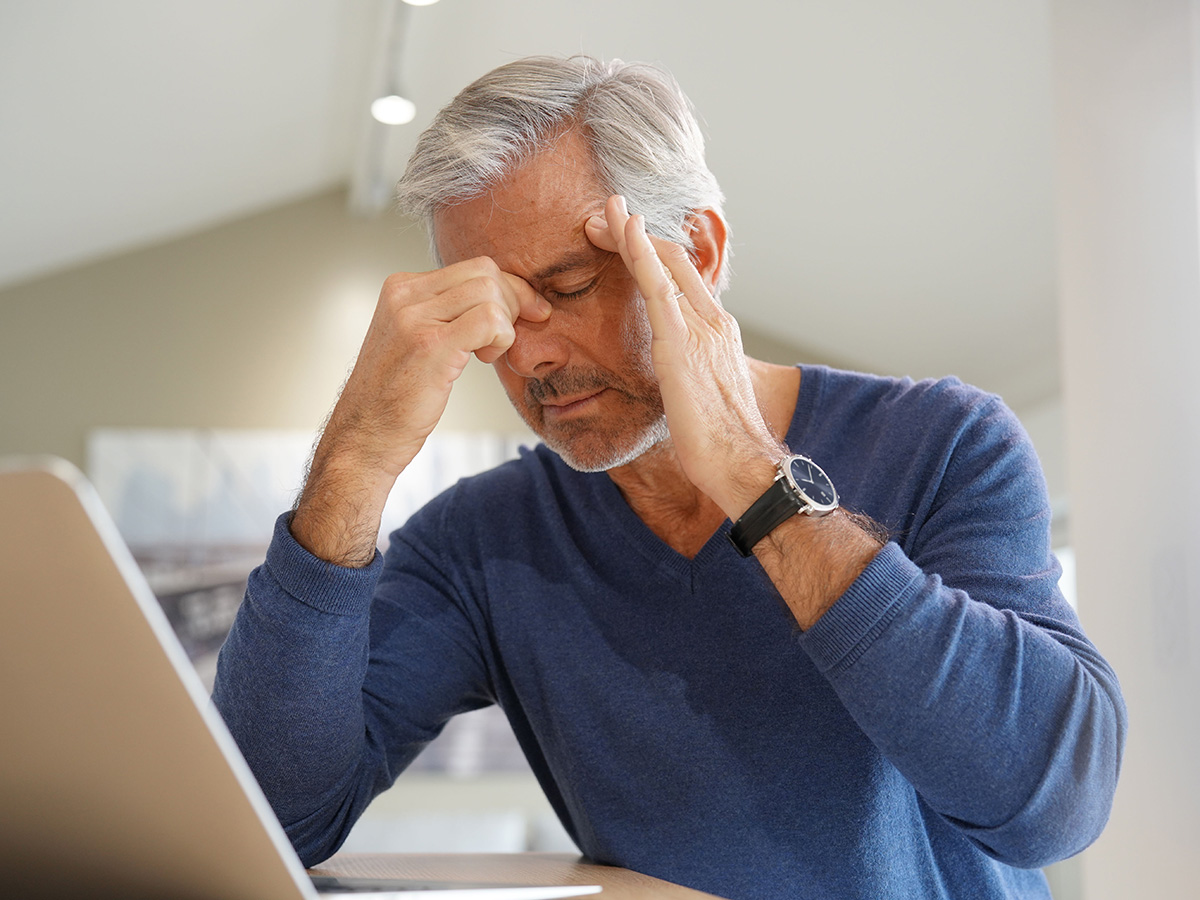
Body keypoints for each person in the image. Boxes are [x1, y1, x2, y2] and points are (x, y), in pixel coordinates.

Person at [213, 56, 1126, 900]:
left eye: (568, 286)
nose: (526, 355)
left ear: (701, 251)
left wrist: (750, 478)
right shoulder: (483, 544)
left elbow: (1051, 807)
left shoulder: (946, 443)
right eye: (492, 310)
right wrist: (356, 457)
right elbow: (272, 817)